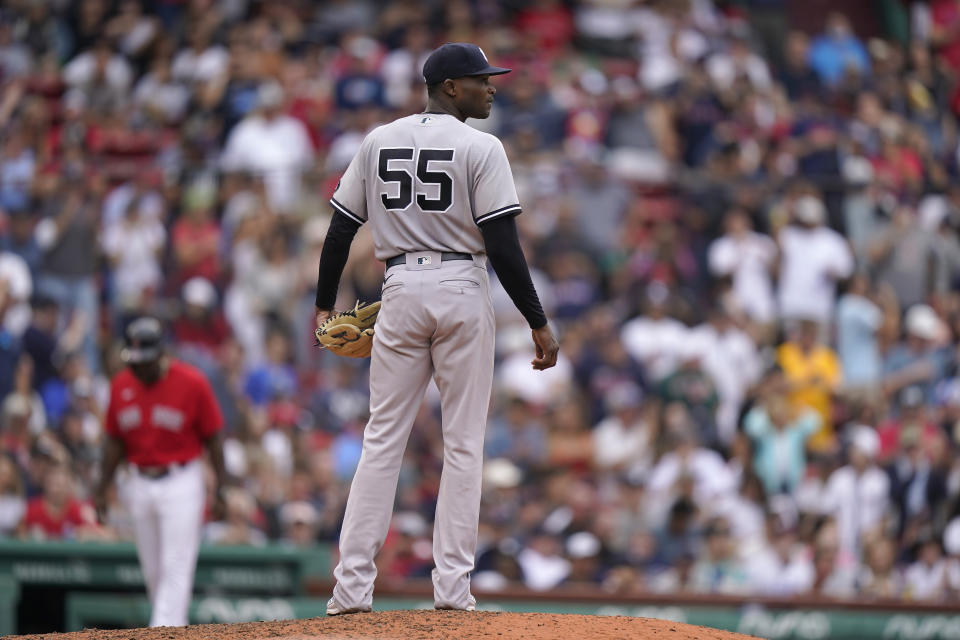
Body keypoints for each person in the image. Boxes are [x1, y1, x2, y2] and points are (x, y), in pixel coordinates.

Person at [314, 42, 559, 615]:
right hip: (460, 287)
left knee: (382, 440)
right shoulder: (481, 146)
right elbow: (501, 243)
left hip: (397, 287)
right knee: (463, 444)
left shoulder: (378, 139)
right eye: (480, 80)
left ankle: (350, 591)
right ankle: (452, 593)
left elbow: (338, 232)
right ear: (450, 87)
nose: (491, 87)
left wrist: (325, 305)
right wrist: (537, 321)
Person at [95, 317, 227, 628]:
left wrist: (220, 489)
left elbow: (214, 438)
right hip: (138, 481)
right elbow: (114, 442)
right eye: (134, 360)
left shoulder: (192, 382)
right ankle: (171, 628)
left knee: (176, 565)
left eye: (145, 360)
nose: (139, 367)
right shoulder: (121, 384)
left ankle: (161, 630)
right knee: (154, 571)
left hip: (181, 480)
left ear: (162, 353)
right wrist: (101, 487)